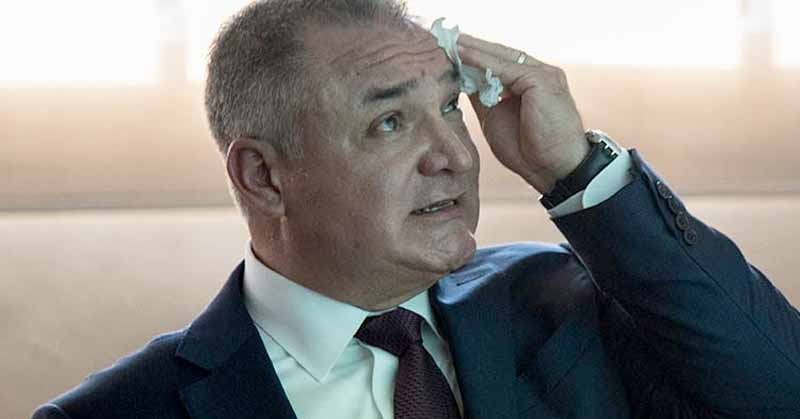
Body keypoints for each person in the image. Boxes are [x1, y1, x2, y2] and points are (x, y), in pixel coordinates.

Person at [33, 0, 800, 418]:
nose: (456, 157)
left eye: (452, 108)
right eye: (391, 122)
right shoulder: (119, 413)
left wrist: (576, 171)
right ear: (264, 176)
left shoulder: (563, 296)